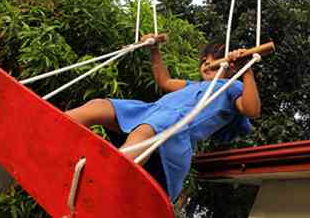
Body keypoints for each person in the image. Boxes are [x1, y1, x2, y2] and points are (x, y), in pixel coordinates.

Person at [65, 33, 261, 202]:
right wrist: (154, 49)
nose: (208, 62)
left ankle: (105, 179)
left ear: (232, 67)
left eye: (216, 58)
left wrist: (247, 71)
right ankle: (49, 129)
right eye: (204, 60)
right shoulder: (192, 85)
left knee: (146, 130)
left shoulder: (230, 87)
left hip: (175, 133)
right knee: (99, 106)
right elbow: (164, 81)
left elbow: (252, 110)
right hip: (150, 113)